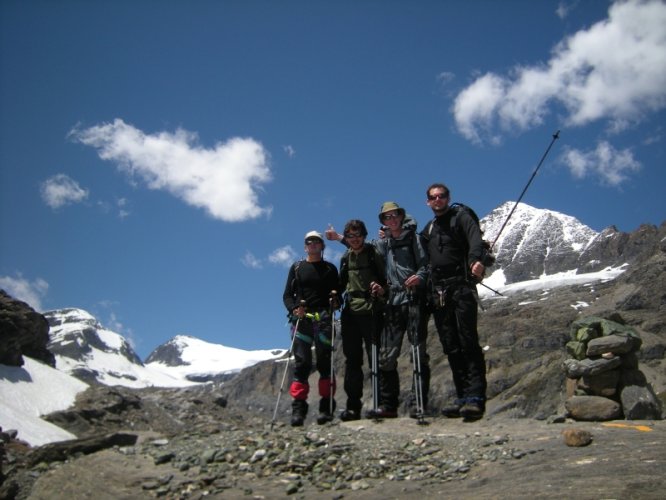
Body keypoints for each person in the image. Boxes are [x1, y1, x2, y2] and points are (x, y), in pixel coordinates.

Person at [327, 202, 429, 418]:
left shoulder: (405, 241)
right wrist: (338, 239)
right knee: (378, 358)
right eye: (386, 217)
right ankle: (376, 406)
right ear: (382, 222)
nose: (355, 238)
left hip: (392, 304)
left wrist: (386, 287)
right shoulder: (356, 254)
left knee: (413, 354)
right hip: (374, 308)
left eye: (394, 216)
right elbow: (349, 265)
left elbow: (423, 265)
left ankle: (411, 404)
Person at [421, 183, 487, 420]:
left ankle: (476, 398)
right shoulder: (428, 229)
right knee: (451, 345)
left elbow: (475, 240)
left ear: (448, 198)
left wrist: (476, 261)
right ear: (427, 202)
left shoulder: (461, 218)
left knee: (468, 341)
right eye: (433, 197)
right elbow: (423, 258)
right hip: (439, 293)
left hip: (461, 287)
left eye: (441, 196)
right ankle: (463, 397)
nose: (437, 200)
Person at [282, 230, 340, 426]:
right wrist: (294, 308)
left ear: (322, 246)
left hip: (324, 318)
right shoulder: (297, 268)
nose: (313, 245)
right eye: (309, 242)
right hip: (301, 319)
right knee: (301, 364)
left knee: (325, 362)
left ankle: (326, 409)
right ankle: (298, 411)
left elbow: (338, 295)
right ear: (305, 246)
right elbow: (287, 295)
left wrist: (335, 302)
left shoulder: (331, 269)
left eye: (317, 242)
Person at [336, 220, 387, 421]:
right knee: (352, 361)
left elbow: (386, 277)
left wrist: (382, 289)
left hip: (372, 309)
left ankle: (380, 404)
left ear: (364, 235)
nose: (354, 239)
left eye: (358, 235)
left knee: (376, 356)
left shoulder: (374, 254)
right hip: (350, 313)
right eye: (350, 236)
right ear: (346, 238)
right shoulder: (345, 258)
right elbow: (341, 283)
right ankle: (353, 407)